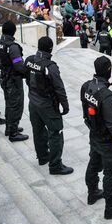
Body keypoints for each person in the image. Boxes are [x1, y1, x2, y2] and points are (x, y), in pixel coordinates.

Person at [81, 56, 112, 219]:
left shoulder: (86, 86)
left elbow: (85, 111)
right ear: (108, 70)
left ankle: (93, 192)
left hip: (94, 134)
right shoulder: (107, 95)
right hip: (106, 139)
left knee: (94, 163)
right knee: (111, 171)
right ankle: (111, 207)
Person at [25, 36, 74, 175]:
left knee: (38, 130)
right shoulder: (50, 66)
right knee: (56, 132)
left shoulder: (29, 60)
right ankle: (55, 165)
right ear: (50, 48)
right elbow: (59, 88)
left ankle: (42, 157)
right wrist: (65, 105)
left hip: (33, 102)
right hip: (47, 105)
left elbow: (24, 74)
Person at [0, 21, 29, 142]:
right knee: (16, 105)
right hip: (13, 80)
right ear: (13, 31)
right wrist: (28, 72)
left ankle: (9, 127)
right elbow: (19, 66)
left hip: (4, 77)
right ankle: (13, 133)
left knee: (9, 103)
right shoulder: (12, 47)